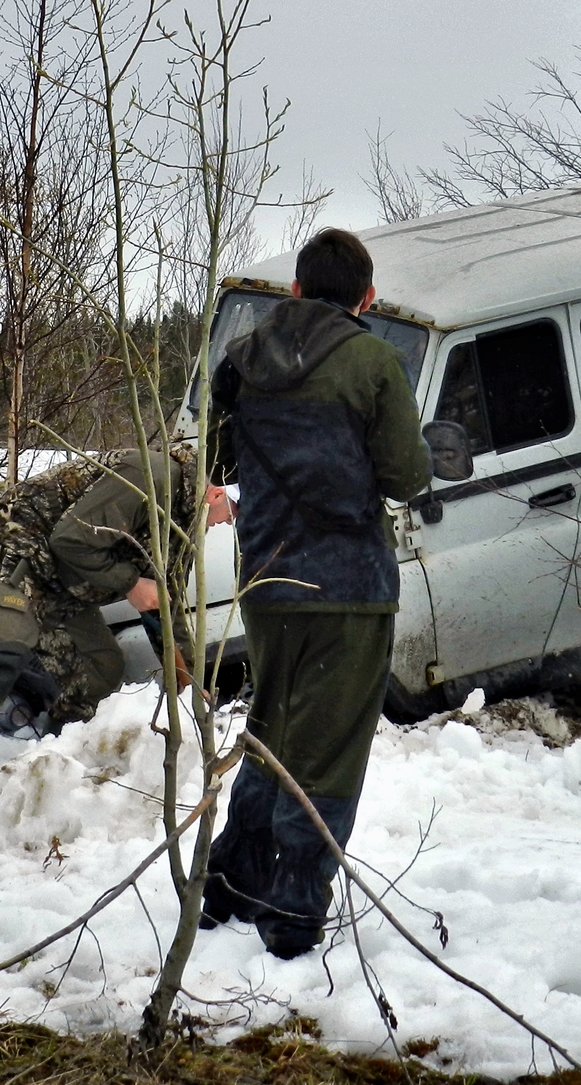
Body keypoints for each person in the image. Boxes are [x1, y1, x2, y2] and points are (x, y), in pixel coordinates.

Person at [201, 228, 434, 959]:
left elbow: (216, 459)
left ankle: (227, 885)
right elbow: (407, 476)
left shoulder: (239, 360)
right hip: (348, 588)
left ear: (296, 290)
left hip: (267, 581)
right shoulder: (373, 361)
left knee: (270, 729)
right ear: (366, 298)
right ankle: (294, 910)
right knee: (328, 749)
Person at [0, 444, 226, 775]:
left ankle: (54, 753)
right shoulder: (151, 476)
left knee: (102, 666)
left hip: (61, 578)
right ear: (216, 495)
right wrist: (131, 584)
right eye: (232, 514)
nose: (227, 524)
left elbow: (163, 602)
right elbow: (70, 539)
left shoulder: (184, 523)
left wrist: (189, 680)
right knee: (7, 643)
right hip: (17, 542)